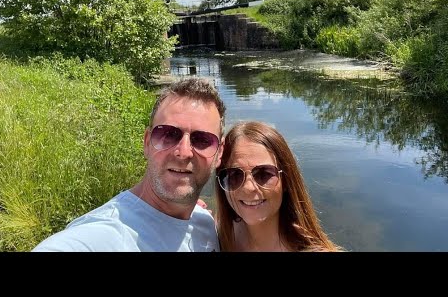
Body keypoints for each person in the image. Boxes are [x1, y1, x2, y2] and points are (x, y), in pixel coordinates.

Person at [33, 77, 226, 252]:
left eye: (202, 140)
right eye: (167, 135)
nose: (183, 152)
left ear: (220, 153)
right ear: (146, 142)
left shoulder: (205, 222)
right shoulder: (105, 234)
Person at [215, 121, 341, 252]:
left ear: (286, 180)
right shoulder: (216, 232)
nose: (248, 187)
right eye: (234, 175)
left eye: (264, 174)